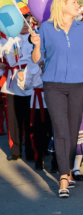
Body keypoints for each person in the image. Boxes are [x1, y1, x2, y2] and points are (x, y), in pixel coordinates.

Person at [30, 0, 83, 198]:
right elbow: (36, 59)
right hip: (53, 85)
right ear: (62, 6)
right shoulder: (46, 28)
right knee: (60, 131)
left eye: (77, 2)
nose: (78, 5)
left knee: (72, 133)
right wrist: (37, 45)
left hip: (78, 85)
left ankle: (66, 169)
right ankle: (63, 177)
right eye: (74, 2)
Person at [2, 14, 34, 162]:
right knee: (13, 120)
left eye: (27, 22)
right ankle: (15, 150)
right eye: (21, 22)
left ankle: (30, 150)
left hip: (30, 84)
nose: (24, 25)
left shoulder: (35, 38)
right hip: (12, 85)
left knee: (29, 120)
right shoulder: (8, 38)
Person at [17, 60, 52, 170]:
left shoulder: (55, 58)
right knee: (38, 132)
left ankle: (56, 162)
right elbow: (27, 85)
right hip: (37, 102)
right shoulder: (31, 63)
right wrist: (22, 79)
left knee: (54, 132)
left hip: (53, 99)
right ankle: (39, 158)